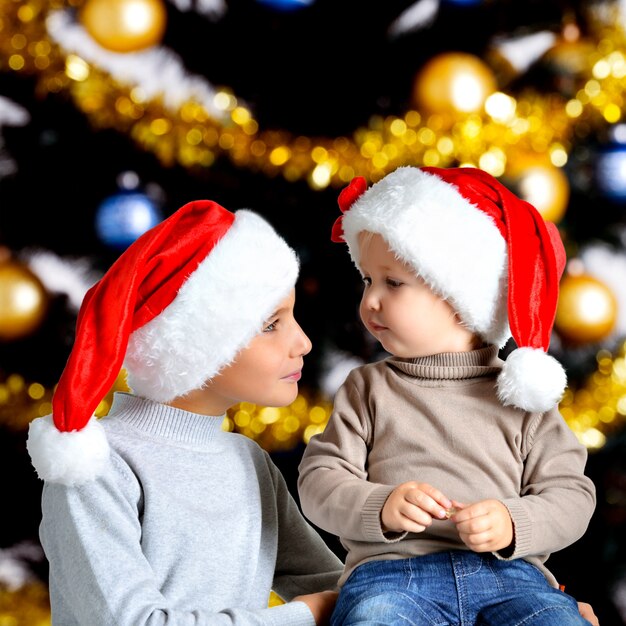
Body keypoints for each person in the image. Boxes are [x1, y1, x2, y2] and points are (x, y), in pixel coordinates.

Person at [297, 166, 598, 625]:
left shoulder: (520, 396)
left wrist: (514, 521)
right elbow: (319, 480)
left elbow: (571, 495)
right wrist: (380, 506)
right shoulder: (368, 389)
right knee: (376, 618)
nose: (371, 300)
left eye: (392, 282)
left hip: (511, 577)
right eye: (367, 280)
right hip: (392, 577)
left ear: (462, 298)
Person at [26, 199, 343, 625]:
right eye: (271, 324)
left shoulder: (250, 462)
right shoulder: (99, 468)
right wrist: (303, 616)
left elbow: (336, 586)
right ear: (197, 346)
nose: (302, 342)